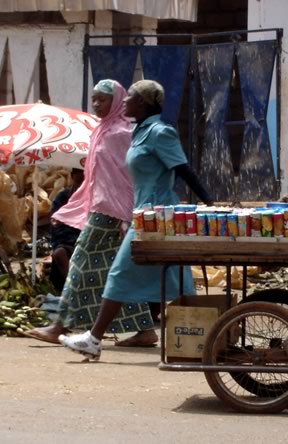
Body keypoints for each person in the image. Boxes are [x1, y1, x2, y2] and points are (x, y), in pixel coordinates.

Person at [60, 79, 214, 360]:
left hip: (156, 216)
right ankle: (209, 335)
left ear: (142, 102)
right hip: (143, 213)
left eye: (129, 97)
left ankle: (93, 339)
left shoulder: (159, 132)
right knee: (178, 277)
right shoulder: (139, 132)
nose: (125, 101)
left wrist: (210, 203)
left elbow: (182, 169)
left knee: (119, 272)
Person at [24, 79, 156, 346]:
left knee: (79, 261)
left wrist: (128, 212)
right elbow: (95, 176)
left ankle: (59, 324)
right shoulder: (101, 131)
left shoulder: (121, 134)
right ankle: (145, 330)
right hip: (101, 206)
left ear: (117, 101)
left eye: (102, 99)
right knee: (114, 271)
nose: (96, 104)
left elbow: (129, 176)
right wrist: (77, 204)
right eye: (94, 98)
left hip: (111, 210)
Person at [48, 168, 84, 293]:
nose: (81, 186)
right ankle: (73, 288)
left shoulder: (95, 198)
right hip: (67, 241)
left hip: (88, 241)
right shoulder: (62, 197)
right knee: (59, 253)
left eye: (85, 182)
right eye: (79, 181)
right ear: (72, 176)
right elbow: (56, 226)